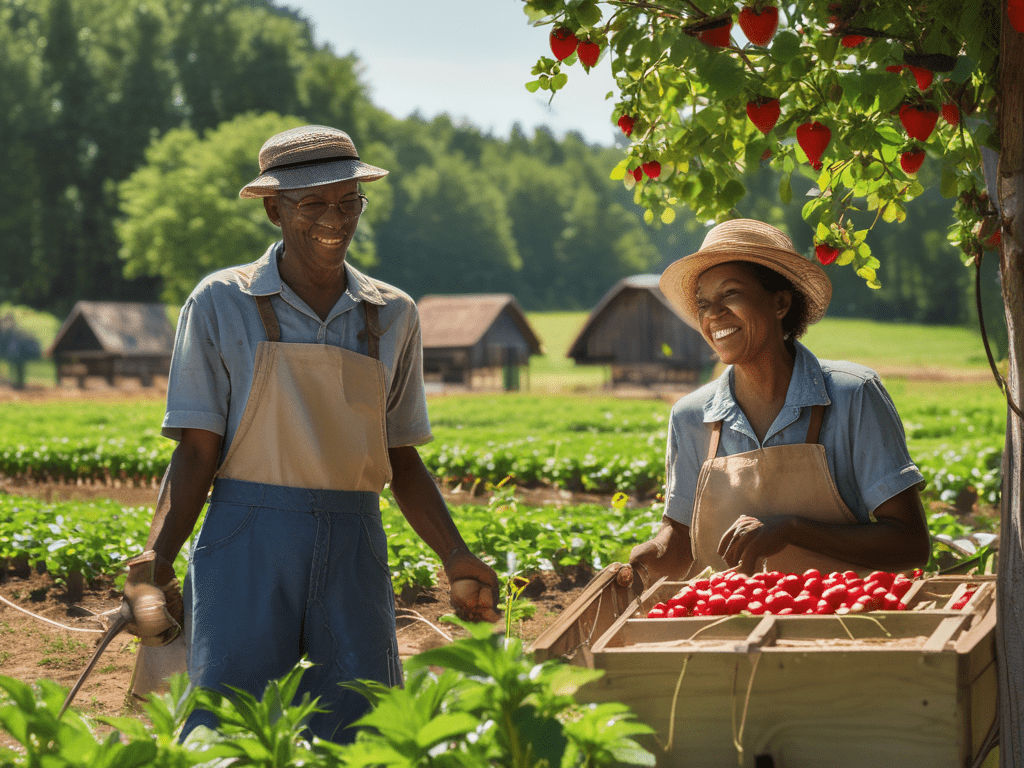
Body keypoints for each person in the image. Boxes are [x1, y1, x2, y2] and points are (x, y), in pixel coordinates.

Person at [121, 125, 501, 743]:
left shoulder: (393, 313)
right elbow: (196, 450)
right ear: (274, 209)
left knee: (362, 722)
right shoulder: (220, 302)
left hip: (355, 541)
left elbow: (400, 457)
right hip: (246, 540)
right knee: (231, 723)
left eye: (349, 201)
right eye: (313, 204)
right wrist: (155, 560)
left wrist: (454, 553)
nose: (335, 219)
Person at [618, 219, 930, 589]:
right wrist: (654, 552)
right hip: (730, 617)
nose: (713, 314)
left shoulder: (853, 394)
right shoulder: (690, 416)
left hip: (843, 614)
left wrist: (793, 530)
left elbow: (910, 544)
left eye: (730, 294)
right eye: (703, 303)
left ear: (780, 303)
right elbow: (680, 541)